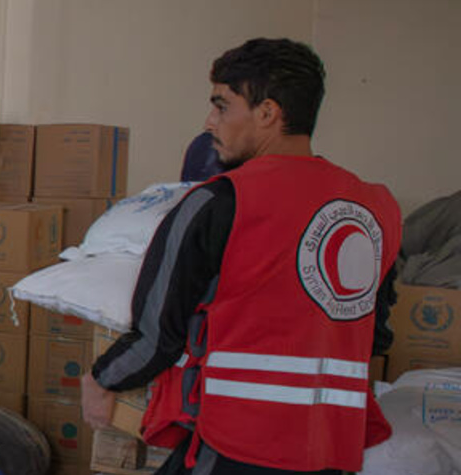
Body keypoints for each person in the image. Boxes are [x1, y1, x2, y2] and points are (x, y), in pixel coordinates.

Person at [82, 38, 401, 475]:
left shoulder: (221, 200)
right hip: (333, 446)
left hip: (241, 443)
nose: (210, 122)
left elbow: (158, 334)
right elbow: (377, 337)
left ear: (268, 113)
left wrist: (102, 380)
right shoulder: (377, 208)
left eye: (222, 106)